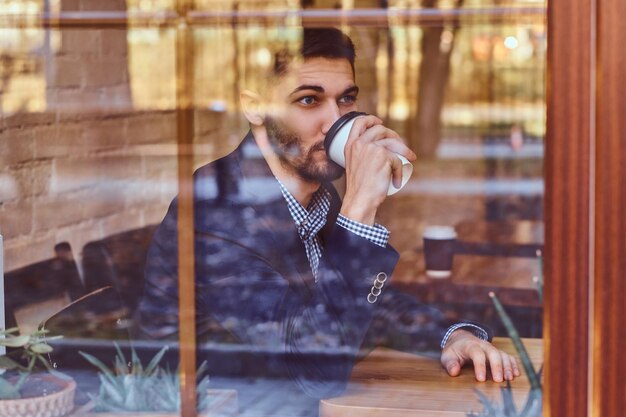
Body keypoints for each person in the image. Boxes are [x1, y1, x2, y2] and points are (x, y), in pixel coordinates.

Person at [137, 28, 519, 399]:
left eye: (346, 100)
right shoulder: (214, 209)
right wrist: (359, 210)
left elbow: (351, 301)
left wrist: (453, 335)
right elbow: (315, 370)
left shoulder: (318, 193)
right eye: (308, 100)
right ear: (255, 106)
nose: (334, 122)